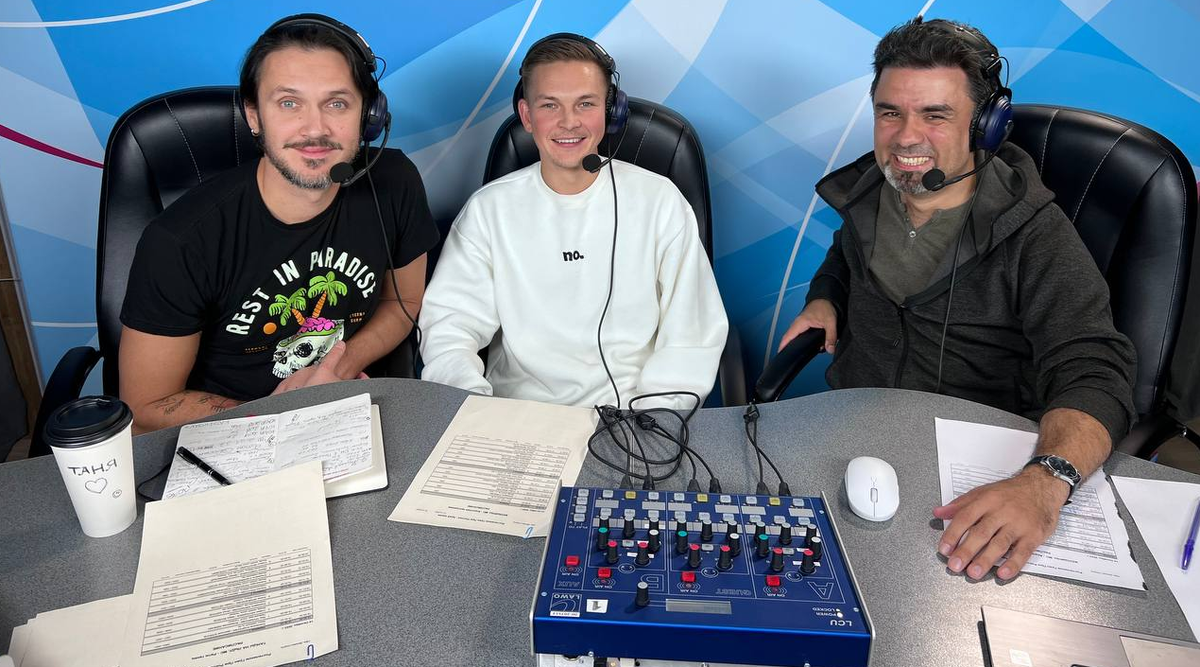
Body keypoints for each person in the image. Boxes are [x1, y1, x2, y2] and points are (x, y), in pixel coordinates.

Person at [777, 18, 1136, 580]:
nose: (905, 138)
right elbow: (845, 257)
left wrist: (1044, 482)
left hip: (977, 471)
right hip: (852, 440)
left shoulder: (1035, 234)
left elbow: (1095, 369)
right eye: (890, 113)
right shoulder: (870, 191)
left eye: (935, 115)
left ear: (986, 126)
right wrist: (826, 297)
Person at [119, 14, 439, 432]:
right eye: (289, 103)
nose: (315, 129)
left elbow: (404, 302)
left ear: (368, 116)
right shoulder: (181, 240)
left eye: (337, 103)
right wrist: (277, 413)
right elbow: (147, 405)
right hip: (228, 431)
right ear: (254, 115)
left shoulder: (394, 182)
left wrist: (338, 368)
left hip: (347, 410)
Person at [419, 34, 727, 410]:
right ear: (527, 116)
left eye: (585, 104)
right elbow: (449, 328)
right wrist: (476, 410)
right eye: (550, 105)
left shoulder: (660, 201)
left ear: (611, 112)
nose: (569, 122)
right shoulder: (488, 210)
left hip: (632, 417)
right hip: (517, 416)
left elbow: (692, 335)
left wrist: (654, 420)